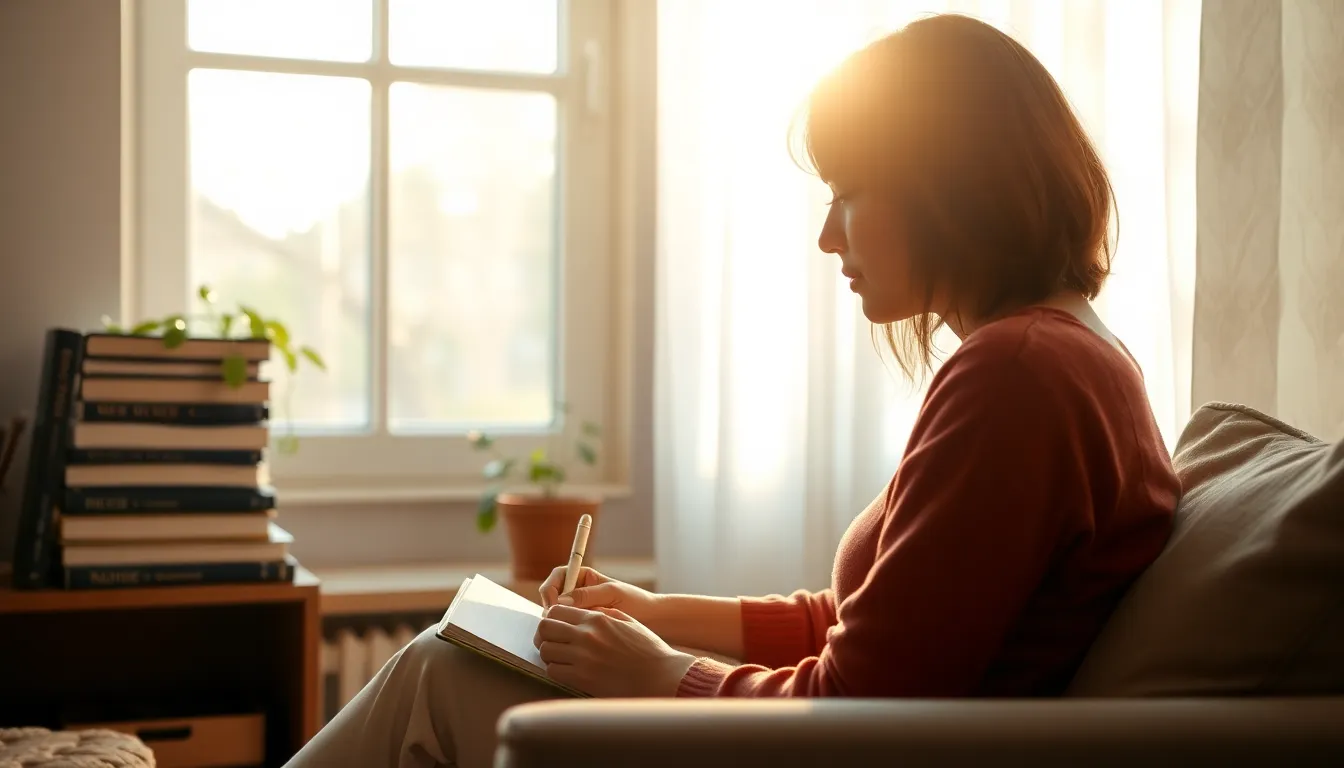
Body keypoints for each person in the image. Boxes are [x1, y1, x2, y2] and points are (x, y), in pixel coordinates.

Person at [285, 13, 1179, 768]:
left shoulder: (1019, 377)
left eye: (849, 194)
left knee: (438, 672)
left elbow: (853, 704)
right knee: (445, 664)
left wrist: (655, 669)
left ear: (943, 186)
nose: (829, 238)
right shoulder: (1071, 359)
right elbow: (869, 627)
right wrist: (650, 613)